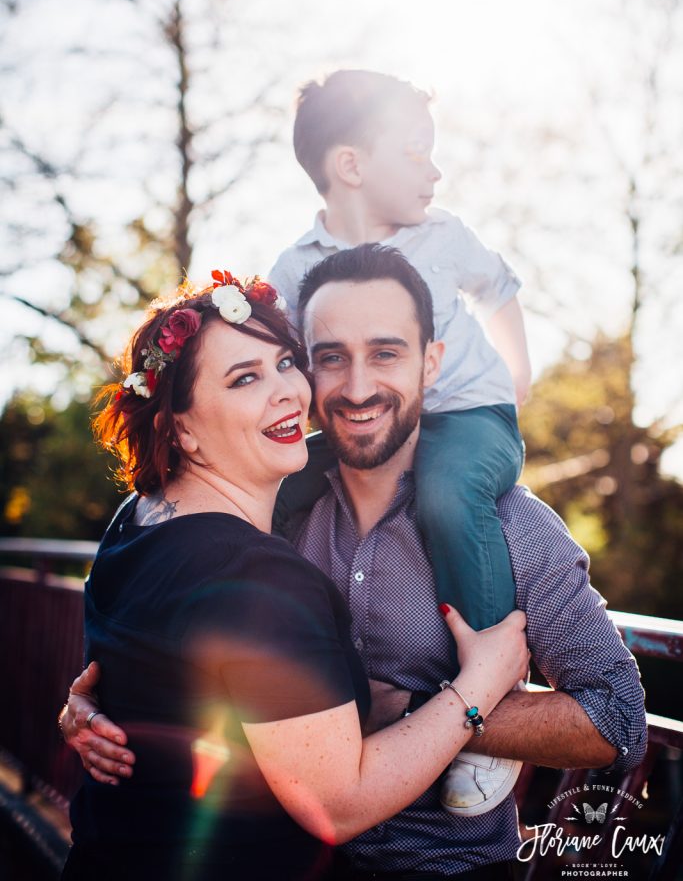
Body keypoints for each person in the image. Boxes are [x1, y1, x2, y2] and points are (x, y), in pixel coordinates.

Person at [63, 247, 647, 878]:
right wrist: (112, 708)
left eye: (387, 353)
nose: (359, 386)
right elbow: (166, 623)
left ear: (431, 364)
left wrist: (415, 708)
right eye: (330, 357)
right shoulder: (258, 504)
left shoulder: (509, 528)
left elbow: (616, 720)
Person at [269, 68, 532, 814]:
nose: (434, 170)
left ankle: (492, 707)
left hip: (465, 420)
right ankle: (271, 666)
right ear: (349, 165)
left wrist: (518, 376)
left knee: (448, 500)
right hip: (364, 425)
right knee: (273, 486)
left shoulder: (442, 235)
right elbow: (270, 351)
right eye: (415, 152)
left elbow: (500, 286)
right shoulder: (296, 267)